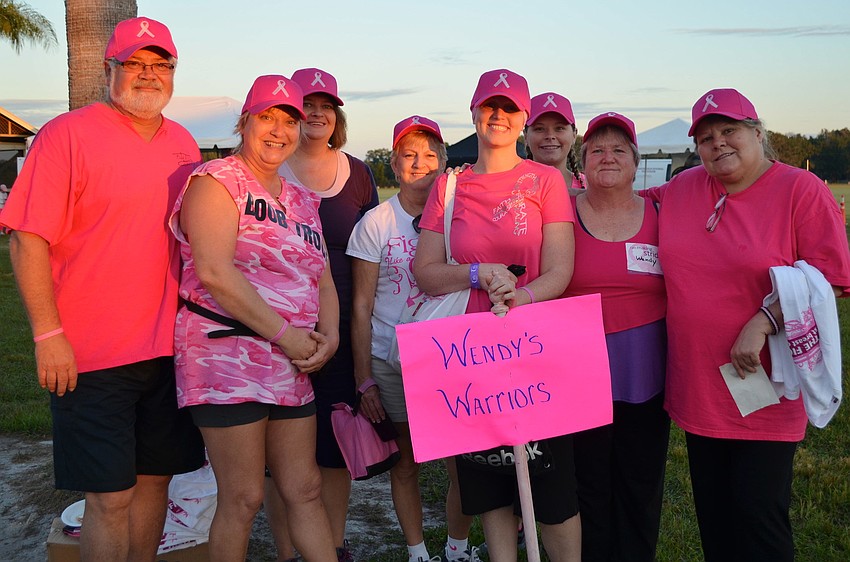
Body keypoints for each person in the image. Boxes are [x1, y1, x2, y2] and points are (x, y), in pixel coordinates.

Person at [0, 16, 205, 561]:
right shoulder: (66, 135)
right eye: (134, 63)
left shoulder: (183, 143)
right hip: (90, 353)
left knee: (156, 482)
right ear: (108, 69)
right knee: (110, 498)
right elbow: (27, 238)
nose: (148, 74)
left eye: (160, 65)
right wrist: (48, 335)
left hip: (169, 350)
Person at [646, 88, 850, 561]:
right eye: (706, 137)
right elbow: (618, 206)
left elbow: (832, 277)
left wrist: (765, 319)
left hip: (765, 386)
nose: (717, 143)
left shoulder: (800, 189)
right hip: (699, 385)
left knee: (759, 519)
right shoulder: (682, 188)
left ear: (758, 133)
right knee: (714, 518)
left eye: (729, 130)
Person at [169, 74, 339, 562]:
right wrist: (288, 336)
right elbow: (214, 272)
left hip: (292, 359)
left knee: (305, 488)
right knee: (244, 497)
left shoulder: (301, 199)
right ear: (245, 122)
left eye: (290, 120)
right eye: (268, 117)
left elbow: (323, 279)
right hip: (226, 356)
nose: (279, 130)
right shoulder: (216, 180)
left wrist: (328, 337)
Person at [413, 68, 579, 562]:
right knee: (488, 478)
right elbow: (426, 272)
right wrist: (478, 273)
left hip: (533, 347)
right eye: (490, 106)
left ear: (523, 118)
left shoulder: (545, 180)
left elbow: (560, 270)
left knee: (551, 483)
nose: (498, 115)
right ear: (474, 112)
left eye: (509, 108)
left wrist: (520, 297)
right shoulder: (449, 185)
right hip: (468, 352)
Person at [347, 116, 478, 562]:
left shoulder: (461, 215)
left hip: (451, 357)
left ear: (443, 161)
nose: (419, 163)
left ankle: (458, 547)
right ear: (394, 163)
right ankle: (417, 551)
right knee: (406, 462)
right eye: (409, 155)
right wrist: (364, 379)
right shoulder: (376, 223)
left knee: (460, 460)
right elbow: (361, 306)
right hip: (392, 360)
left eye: (429, 154)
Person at [268, 67, 379, 562]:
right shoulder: (268, 166)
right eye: (306, 105)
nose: (316, 113)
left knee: (334, 444)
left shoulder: (358, 174)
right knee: (277, 452)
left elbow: (374, 253)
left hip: (342, 327)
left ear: (337, 117)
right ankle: (287, 552)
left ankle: (333, 544)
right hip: (277, 328)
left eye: (326, 106)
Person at [562, 112, 669, 562]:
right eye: (597, 150)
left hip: (645, 371)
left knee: (640, 481)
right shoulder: (560, 215)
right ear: (583, 161)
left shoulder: (662, 213)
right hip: (577, 371)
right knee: (588, 482)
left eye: (619, 149)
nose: (608, 157)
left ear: (636, 161)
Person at [524, 92, 585, 189]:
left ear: (574, 135)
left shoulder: (591, 188)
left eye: (559, 128)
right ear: (526, 136)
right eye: (539, 129)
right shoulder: (508, 186)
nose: (550, 136)